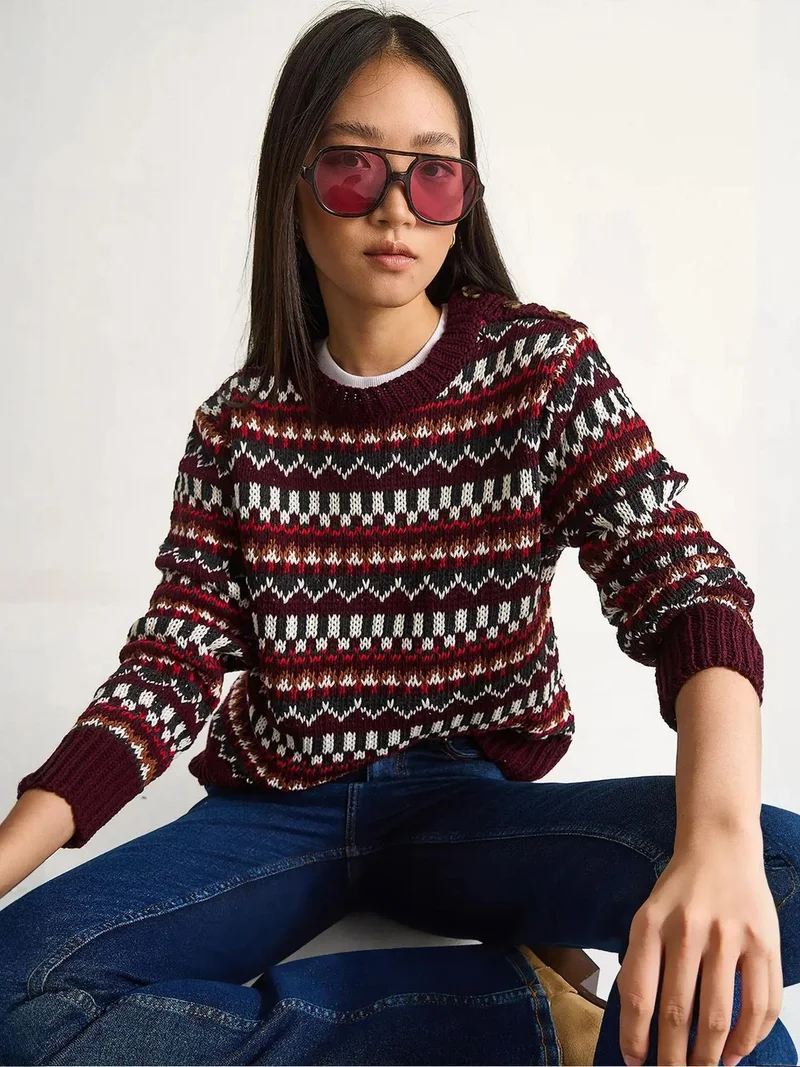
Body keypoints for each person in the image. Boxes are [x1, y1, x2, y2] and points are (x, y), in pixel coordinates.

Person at [1, 5, 798, 1065]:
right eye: (351, 168)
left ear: (464, 199)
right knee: (15, 993)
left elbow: (687, 587)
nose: (394, 207)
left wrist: (717, 845)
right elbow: (166, 669)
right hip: (275, 815)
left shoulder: (541, 371)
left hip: (465, 808)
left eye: (433, 175)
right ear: (292, 187)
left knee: (763, 905)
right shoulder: (237, 425)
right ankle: (527, 1013)